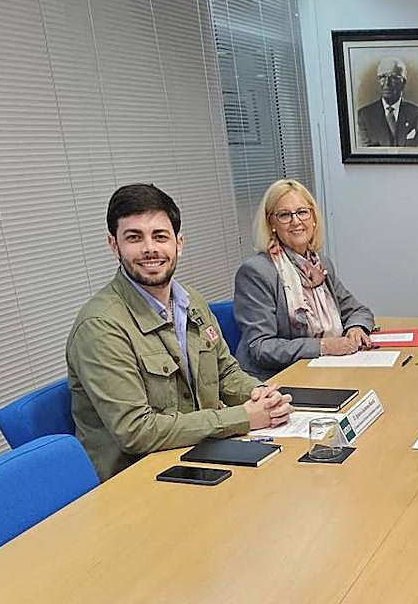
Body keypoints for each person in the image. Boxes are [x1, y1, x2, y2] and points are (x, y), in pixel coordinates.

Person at [67, 184, 292, 481]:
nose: (150, 249)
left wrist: (257, 393)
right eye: (134, 238)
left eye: (160, 236)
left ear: (179, 243)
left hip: (201, 455)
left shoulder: (190, 301)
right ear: (114, 245)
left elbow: (224, 373)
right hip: (140, 479)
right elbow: (137, 432)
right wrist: (242, 417)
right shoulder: (101, 327)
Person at [234, 179, 376, 381]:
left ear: (313, 218)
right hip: (277, 379)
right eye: (284, 215)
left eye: (302, 212)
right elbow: (260, 347)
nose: (296, 221)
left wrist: (356, 327)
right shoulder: (257, 272)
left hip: (324, 370)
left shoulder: (319, 265)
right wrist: (322, 347)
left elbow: (358, 311)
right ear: (271, 223)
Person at [356, 57, 418, 148]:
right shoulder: (364, 116)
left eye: (394, 77)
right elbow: (366, 153)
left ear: (403, 82)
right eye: (382, 77)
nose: (387, 83)